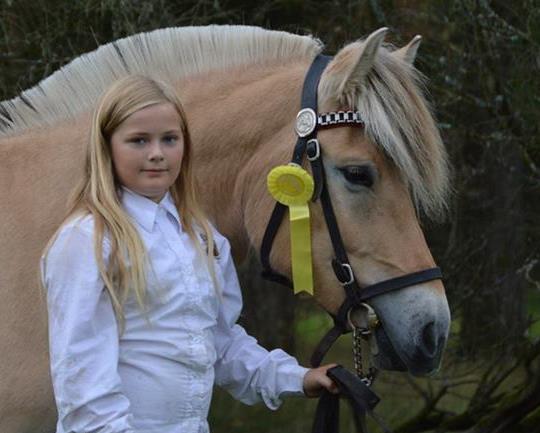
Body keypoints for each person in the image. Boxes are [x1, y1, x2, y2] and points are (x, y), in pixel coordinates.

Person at [41, 75, 337, 433]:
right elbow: (82, 378)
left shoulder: (200, 236)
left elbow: (221, 344)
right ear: (107, 147)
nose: (157, 153)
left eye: (169, 139)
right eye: (138, 140)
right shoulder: (88, 241)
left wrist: (297, 378)